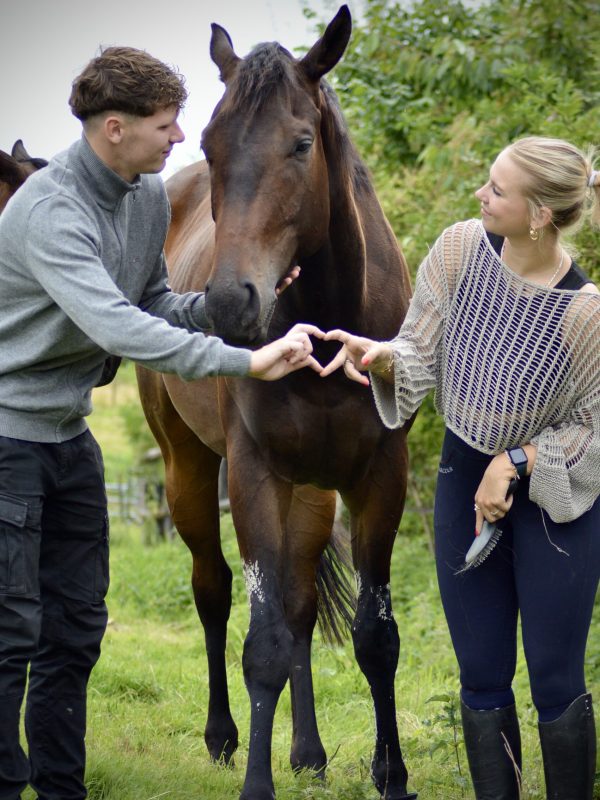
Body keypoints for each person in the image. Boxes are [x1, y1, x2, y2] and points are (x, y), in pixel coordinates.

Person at [0, 47, 318, 800]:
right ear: (115, 127)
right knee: (10, 633)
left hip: (68, 439)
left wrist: (217, 308)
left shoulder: (142, 197)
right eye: (166, 125)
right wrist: (246, 362)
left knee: (76, 631)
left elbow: (151, 302)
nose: (179, 138)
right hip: (9, 441)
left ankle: (61, 787)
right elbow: (119, 329)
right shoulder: (48, 210)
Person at [314, 136, 600, 799]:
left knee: (556, 677)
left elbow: (595, 428)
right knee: (481, 673)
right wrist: (381, 357)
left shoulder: (584, 313)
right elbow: (418, 349)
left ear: (539, 215)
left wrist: (518, 460)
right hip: (460, 483)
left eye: (497, 189)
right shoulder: (459, 251)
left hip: (557, 504)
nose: (481, 195)